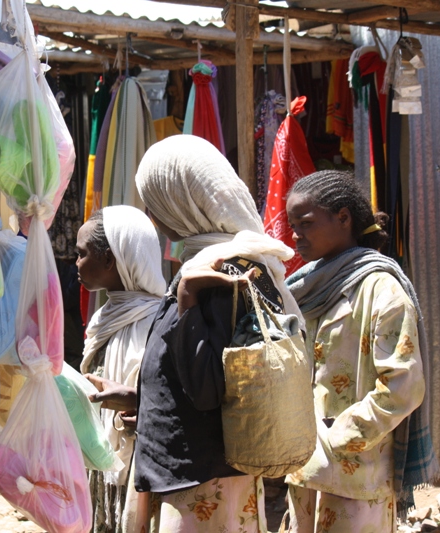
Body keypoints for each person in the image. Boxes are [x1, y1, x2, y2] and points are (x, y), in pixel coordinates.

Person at [92, 135, 301, 533]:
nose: (152, 215)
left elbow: (207, 391)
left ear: (183, 201)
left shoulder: (222, 272)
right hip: (195, 478)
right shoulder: (221, 263)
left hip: (204, 488)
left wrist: (187, 299)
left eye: (156, 201)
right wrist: (143, 398)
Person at [283, 170, 437, 532]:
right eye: (292, 225)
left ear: (343, 218)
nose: (296, 235)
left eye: (305, 223)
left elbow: (403, 385)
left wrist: (338, 440)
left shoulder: (382, 290)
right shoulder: (305, 287)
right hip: (303, 470)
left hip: (355, 478)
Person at [76, 205, 166, 532]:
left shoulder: (158, 321)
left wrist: (139, 403)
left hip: (140, 467)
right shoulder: (105, 316)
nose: (76, 263)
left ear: (111, 260)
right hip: (102, 460)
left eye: (81, 254)